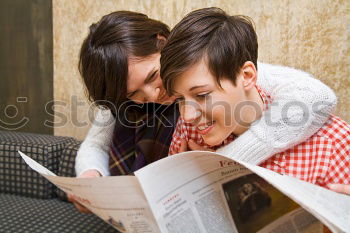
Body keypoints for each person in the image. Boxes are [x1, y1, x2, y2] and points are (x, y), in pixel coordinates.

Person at [71, 10, 338, 212]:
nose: (154, 96)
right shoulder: (135, 106)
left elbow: (316, 97)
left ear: (162, 42)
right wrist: (91, 177)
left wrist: (222, 163)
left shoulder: (210, 65)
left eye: (153, 76)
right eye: (135, 93)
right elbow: (95, 144)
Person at [160, 7, 350, 187]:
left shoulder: (333, 142)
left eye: (202, 95)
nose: (186, 115)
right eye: (180, 99)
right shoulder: (190, 131)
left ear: (247, 76)